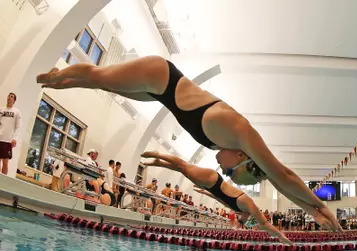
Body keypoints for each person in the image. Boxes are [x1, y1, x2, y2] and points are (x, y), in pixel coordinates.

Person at [36, 56, 341, 232]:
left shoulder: (231, 144)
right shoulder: (238, 129)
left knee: (100, 82)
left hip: (160, 90)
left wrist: (313, 211)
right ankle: (60, 73)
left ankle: (63, 77)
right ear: (242, 156)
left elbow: (279, 181)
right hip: (160, 75)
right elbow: (281, 174)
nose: (225, 172)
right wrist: (320, 204)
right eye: (232, 172)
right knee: (98, 76)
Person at [142, 151, 293, 245]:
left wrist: (204, 193)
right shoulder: (249, 203)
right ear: (250, 216)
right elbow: (265, 224)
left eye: (243, 222)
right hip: (213, 179)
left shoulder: (237, 208)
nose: (243, 220)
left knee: (184, 171)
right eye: (246, 221)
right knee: (184, 166)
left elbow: (220, 199)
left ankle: (159, 163)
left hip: (211, 186)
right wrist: (281, 237)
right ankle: (159, 154)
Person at [0, 92, 21, 175]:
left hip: (8, 140)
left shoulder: (17, 111)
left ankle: (3, 183)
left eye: (12, 97)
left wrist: (15, 138)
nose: (9, 97)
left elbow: (18, 126)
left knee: (5, 163)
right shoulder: (1, 109)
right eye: (9, 96)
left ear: (14, 100)